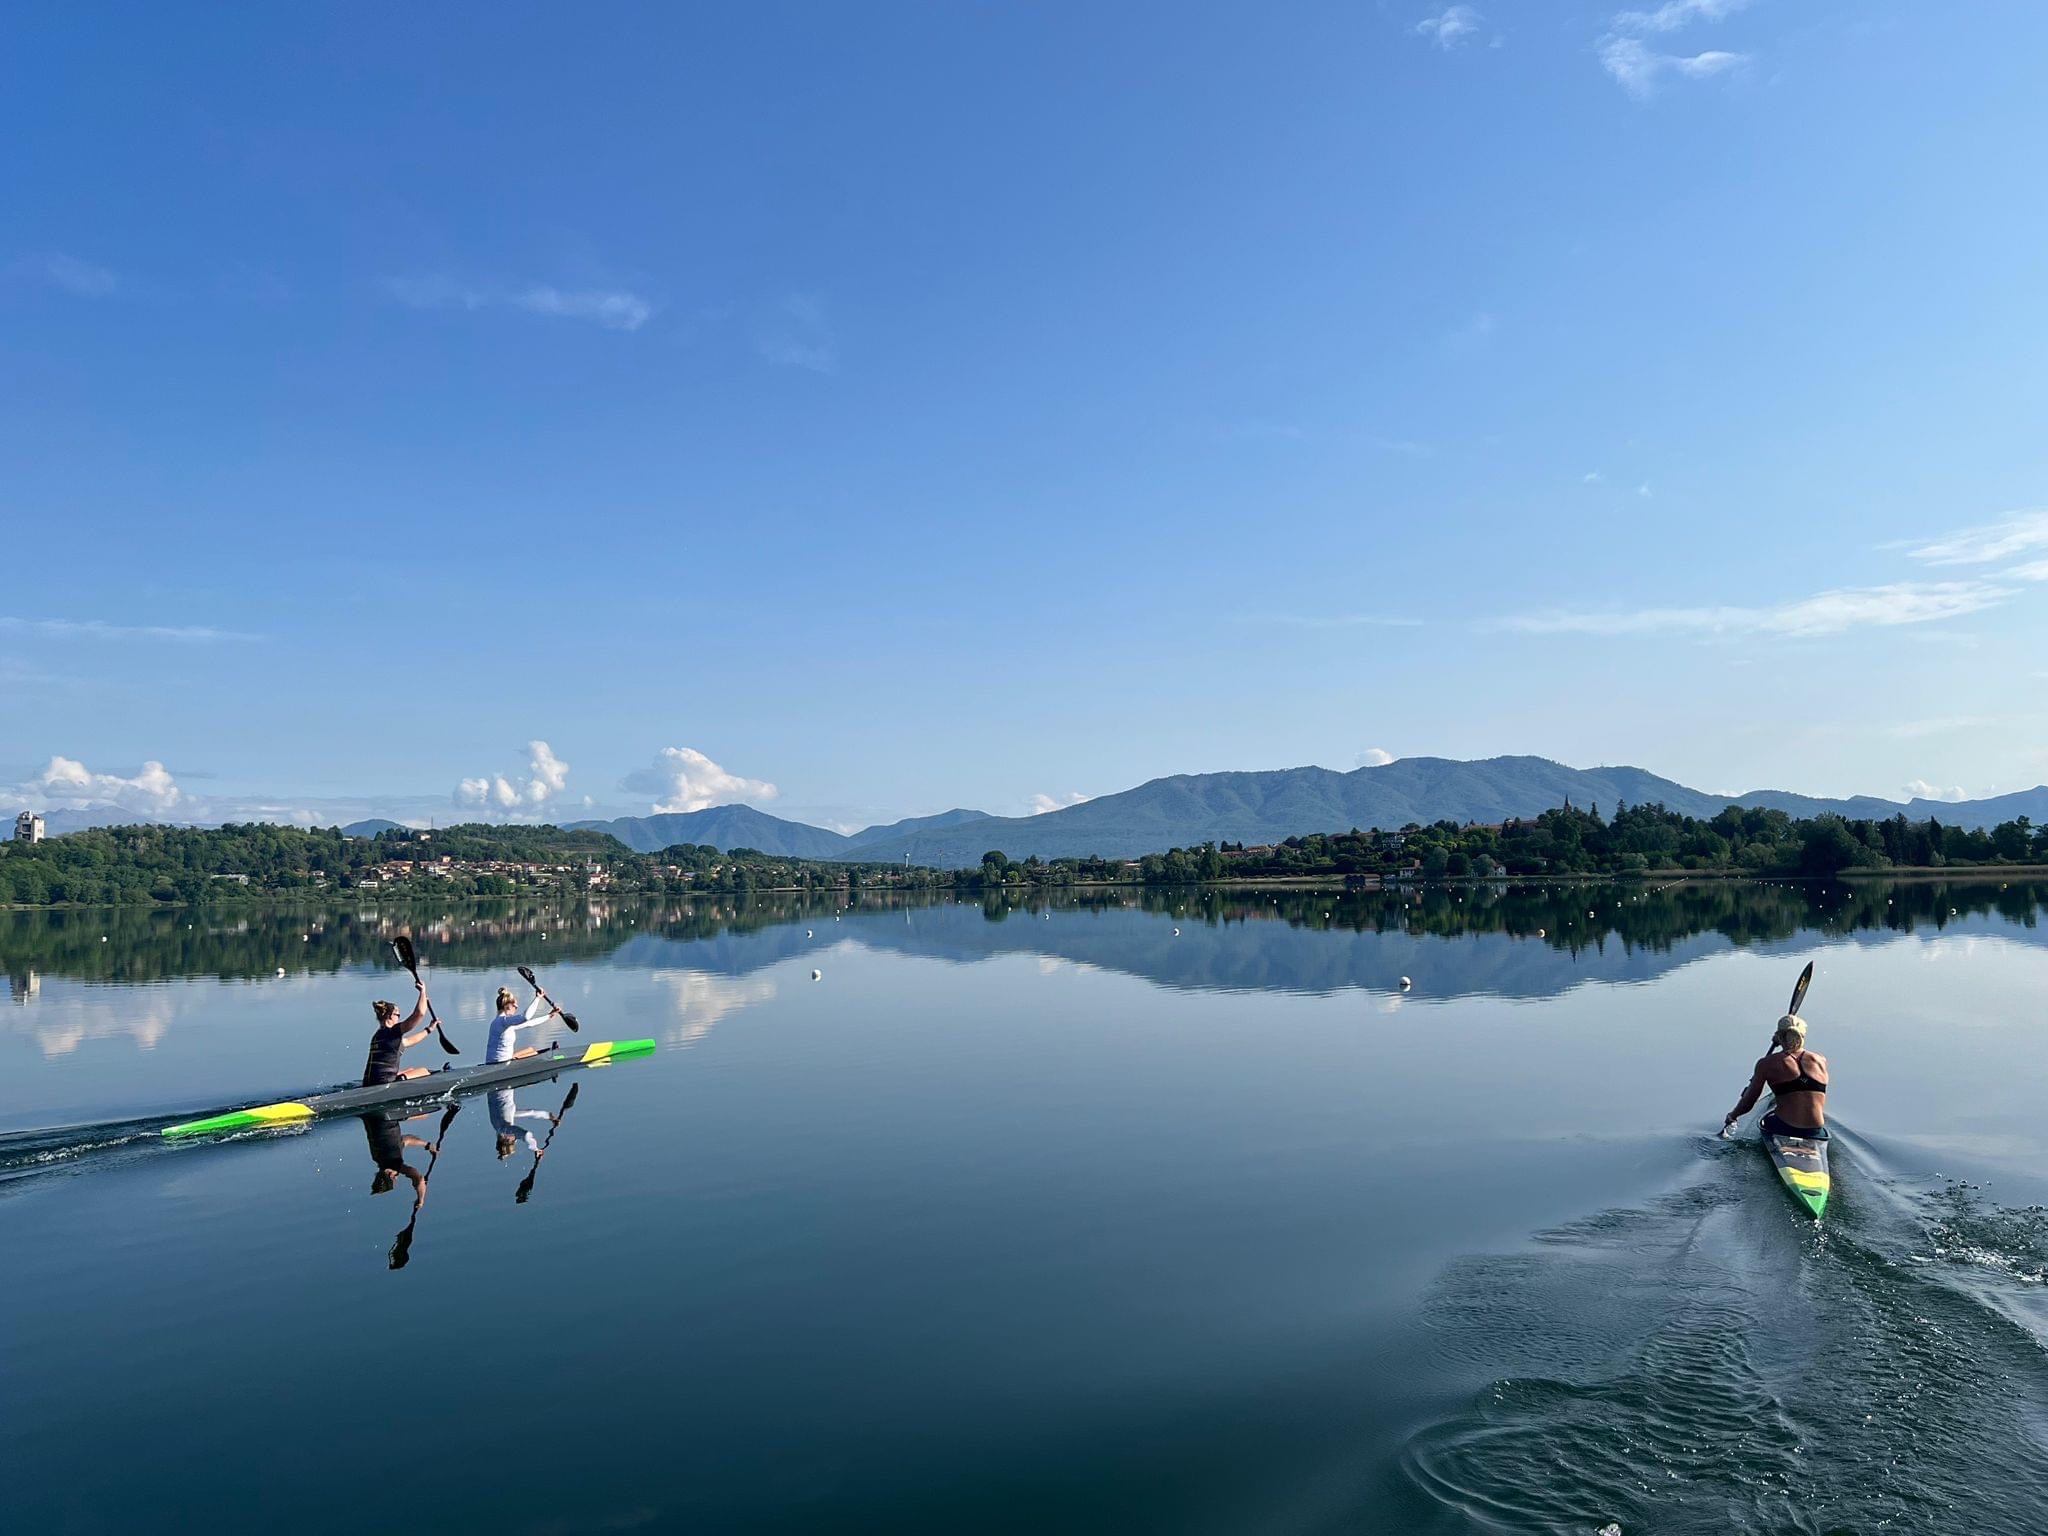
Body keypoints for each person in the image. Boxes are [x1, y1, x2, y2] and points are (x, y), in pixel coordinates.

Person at [1724, 1011, 1829, 1140]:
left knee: (1766, 1119)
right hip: (1815, 1131)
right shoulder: (1820, 1060)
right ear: (1803, 1036)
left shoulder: (1766, 1064)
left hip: (1784, 1128)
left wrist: (1732, 1116)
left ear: (1779, 1036)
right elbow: (1802, 1082)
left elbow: (1749, 1101)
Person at [363, 975, 436, 1086]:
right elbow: (419, 1014)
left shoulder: (378, 1035)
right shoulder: (393, 1032)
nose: (399, 1017)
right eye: (398, 1015)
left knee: (411, 1070)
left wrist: (429, 1029)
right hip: (383, 1083)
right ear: (390, 1016)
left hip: (369, 1082)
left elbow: (407, 1042)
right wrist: (422, 992)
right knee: (424, 1071)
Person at [485, 983, 563, 1065]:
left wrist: (549, 1016)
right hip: (500, 1064)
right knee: (534, 1054)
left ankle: (551, 1051)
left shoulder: (500, 1022)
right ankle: (554, 1056)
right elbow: (526, 1017)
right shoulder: (503, 1021)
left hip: (498, 1061)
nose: (517, 1007)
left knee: (530, 1050)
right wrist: (537, 998)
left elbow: (529, 1023)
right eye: (515, 1005)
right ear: (507, 1006)